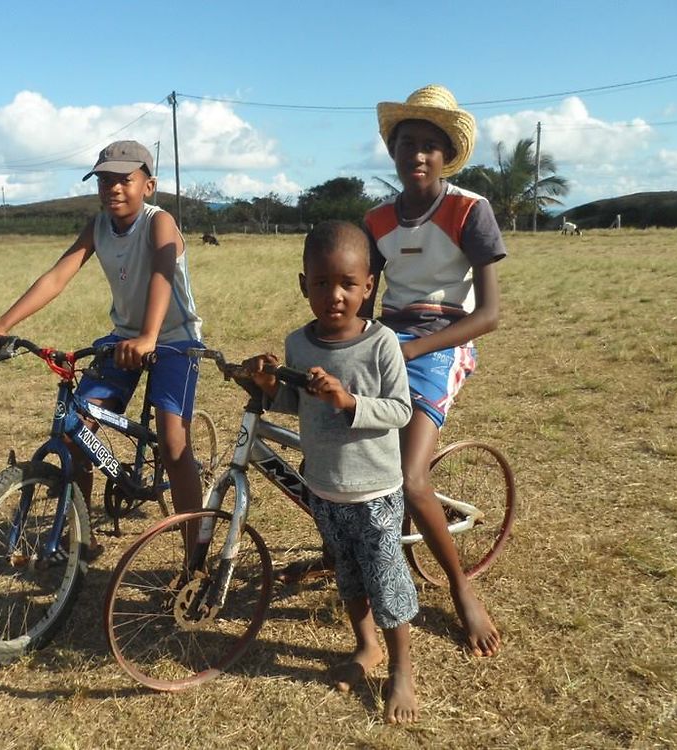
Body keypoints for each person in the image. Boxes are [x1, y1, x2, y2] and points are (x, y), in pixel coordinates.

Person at [0, 140, 204, 550]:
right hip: (125, 338)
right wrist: (4, 323)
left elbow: (162, 275)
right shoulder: (98, 226)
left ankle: (196, 551)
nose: (113, 188)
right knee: (75, 431)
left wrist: (149, 336)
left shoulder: (159, 222)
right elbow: (57, 276)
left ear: (148, 185)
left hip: (174, 341)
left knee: (172, 444)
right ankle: (82, 535)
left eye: (123, 180)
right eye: (104, 181)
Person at [245, 220, 419, 724]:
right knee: (348, 577)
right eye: (322, 283)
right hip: (325, 488)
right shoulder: (298, 343)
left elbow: (400, 410)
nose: (335, 295)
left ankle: (401, 669)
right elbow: (289, 401)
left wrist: (347, 400)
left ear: (369, 286)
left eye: (347, 284)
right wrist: (261, 384)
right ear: (304, 285)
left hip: (375, 491)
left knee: (387, 581)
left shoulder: (381, 343)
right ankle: (367, 648)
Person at [364, 84, 508, 657]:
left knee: (410, 478)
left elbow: (491, 315)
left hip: (444, 344)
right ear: (392, 151)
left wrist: (411, 353)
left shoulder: (470, 211)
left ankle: (461, 591)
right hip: (388, 339)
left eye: (430, 145)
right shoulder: (375, 219)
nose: (417, 155)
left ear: (448, 155)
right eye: (407, 143)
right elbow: (364, 298)